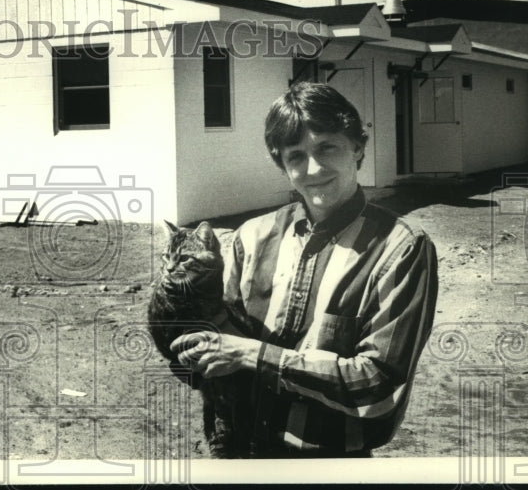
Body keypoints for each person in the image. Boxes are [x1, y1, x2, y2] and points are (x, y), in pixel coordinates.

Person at [171, 81, 438, 458]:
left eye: (327, 147)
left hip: (328, 462)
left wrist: (252, 355)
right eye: (295, 156)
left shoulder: (402, 247)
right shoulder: (252, 236)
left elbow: (378, 385)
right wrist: (182, 329)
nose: (313, 168)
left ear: (358, 146)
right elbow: (213, 339)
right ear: (281, 163)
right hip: (239, 450)